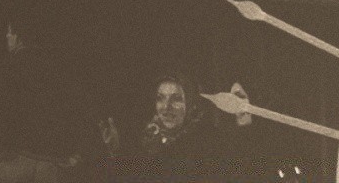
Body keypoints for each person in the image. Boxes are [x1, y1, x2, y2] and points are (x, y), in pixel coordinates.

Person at [97, 74, 254, 183]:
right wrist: (115, 151)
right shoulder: (148, 140)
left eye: (176, 99)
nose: (166, 107)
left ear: (190, 104)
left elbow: (243, 169)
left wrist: (244, 123)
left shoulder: (208, 142)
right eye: (160, 98)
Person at [0, 17, 89, 183]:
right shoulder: (61, 71)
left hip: (15, 160)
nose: (6, 36)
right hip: (53, 164)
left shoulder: (8, 67)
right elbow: (80, 111)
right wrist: (75, 155)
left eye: (9, 32)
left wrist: (2, 148)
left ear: (18, 37)